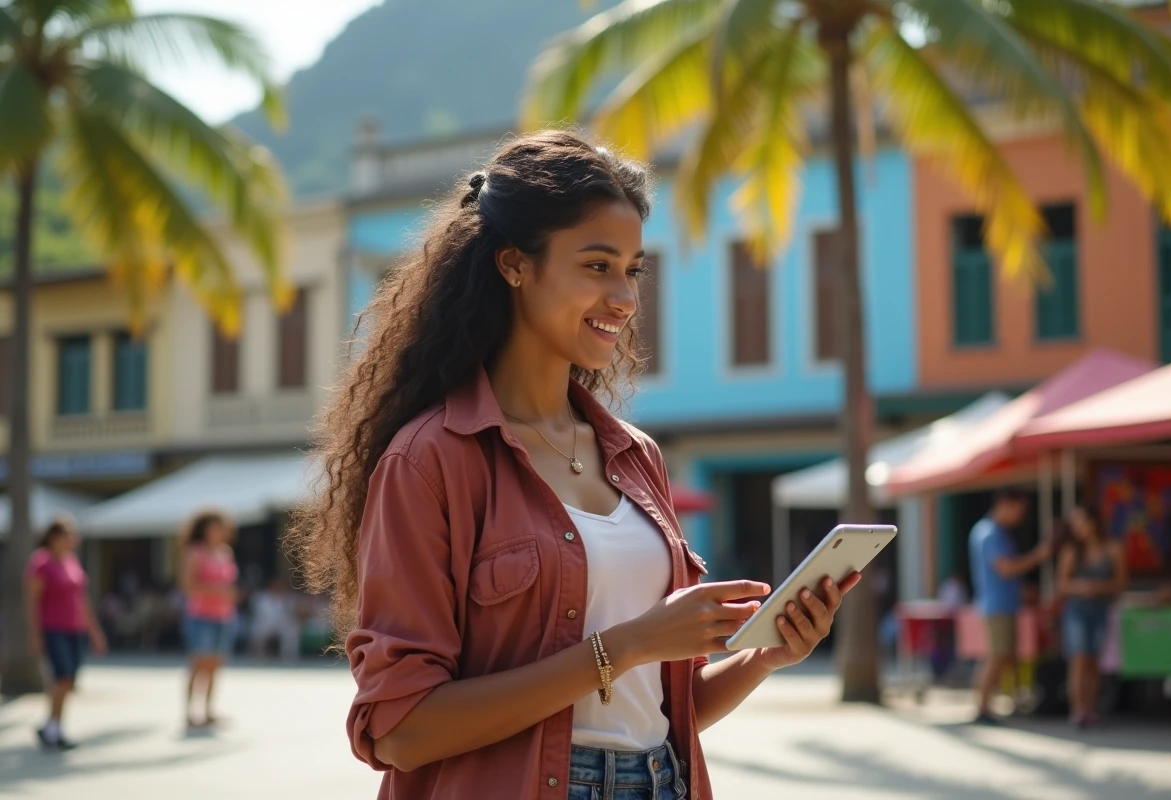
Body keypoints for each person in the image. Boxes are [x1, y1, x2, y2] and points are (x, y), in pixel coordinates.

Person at [288, 130, 861, 800]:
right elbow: (401, 729)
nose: (625, 297)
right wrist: (625, 646)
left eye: (633, 269)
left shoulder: (637, 457)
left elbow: (655, 715)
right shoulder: (429, 460)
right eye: (597, 266)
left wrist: (764, 656)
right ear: (514, 265)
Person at [968, 488, 1053, 725]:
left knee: (1004, 656)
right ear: (1005, 504)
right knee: (996, 657)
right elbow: (1005, 568)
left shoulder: (997, 532)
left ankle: (997, 704)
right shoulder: (989, 532)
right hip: (997, 606)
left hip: (1005, 604)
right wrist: (1038, 556)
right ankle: (982, 708)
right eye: (1019, 510)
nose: (1020, 516)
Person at [24, 515, 107, 750]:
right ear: (54, 537)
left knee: (69, 680)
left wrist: (95, 632)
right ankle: (54, 729)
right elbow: (32, 601)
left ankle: (51, 726)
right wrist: (34, 634)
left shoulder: (72, 562)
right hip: (53, 629)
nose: (72, 539)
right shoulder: (41, 562)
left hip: (75, 630)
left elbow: (82, 601)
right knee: (62, 677)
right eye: (67, 535)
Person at [1057, 504, 1126, 728]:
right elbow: (1062, 584)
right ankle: (1078, 710)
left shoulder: (1112, 548)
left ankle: (1090, 709)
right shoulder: (1071, 551)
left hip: (1100, 609)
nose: (1077, 527)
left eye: (1081, 521)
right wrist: (1082, 588)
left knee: (1094, 662)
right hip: (1077, 610)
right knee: (1079, 660)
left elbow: (1121, 582)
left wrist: (1099, 587)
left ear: (1094, 522)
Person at [179, 510, 239, 730]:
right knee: (198, 664)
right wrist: (217, 591)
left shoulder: (225, 552)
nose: (217, 531)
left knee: (214, 665)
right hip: (200, 616)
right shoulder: (195, 552)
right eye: (213, 526)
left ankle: (208, 711)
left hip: (224, 616)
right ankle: (189, 713)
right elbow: (187, 585)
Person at [249, 577, 301, 660]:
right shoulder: (261, 597)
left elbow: (293, 614)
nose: (278, 587)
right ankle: (258, 657)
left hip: (281, 624)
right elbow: (259, 614)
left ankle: (288, 657)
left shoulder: (287, 598)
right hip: (264, 624)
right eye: (275, 585)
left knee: (292, 630)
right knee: (257, 629)